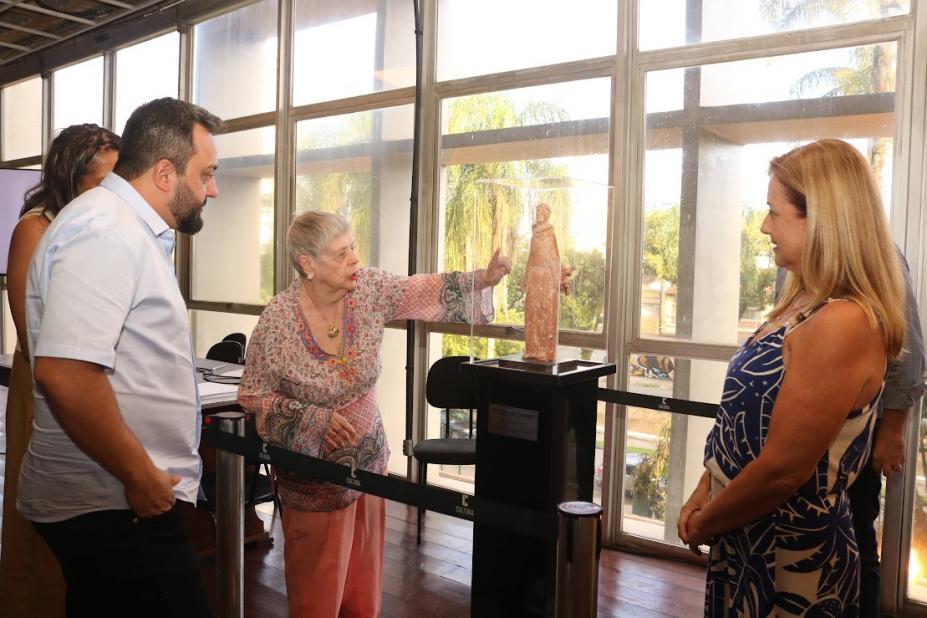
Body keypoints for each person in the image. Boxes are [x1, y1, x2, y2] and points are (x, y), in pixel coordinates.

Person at [238, 210, 512, 617]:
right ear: (307, 264)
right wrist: (312, 418)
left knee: (362, 591)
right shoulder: (277, 320)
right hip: (311, 483)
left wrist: (483, 278)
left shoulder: (368, 290)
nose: (355, 260)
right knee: (317, 596)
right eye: (341, 253)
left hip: (368, 466)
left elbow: (421, 289)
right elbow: (252, 395)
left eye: (353, 248)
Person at [677, 139, 906, 616]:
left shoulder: (843, 322)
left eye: (774, 212)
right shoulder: (801, 303)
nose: (764, 226)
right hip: (748, 532)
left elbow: (783, 469)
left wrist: (704, 524)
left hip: (790, 554)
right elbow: (746, 423)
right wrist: (706, 488)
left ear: (821, 218)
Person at [18, 98, 222, 618]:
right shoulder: (106, 231)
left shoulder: (120, 228)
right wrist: (141, 478)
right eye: (206, 174)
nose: (212, 190)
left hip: (118, 497)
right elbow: (65, 372)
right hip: (115, 502)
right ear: (163, 172)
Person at [0, 123, 119, 618]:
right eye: (101, 182)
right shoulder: (36, 227)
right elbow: (33, 332)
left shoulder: (96, 226)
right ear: (71, 176)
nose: (111, 194)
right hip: (46, 387)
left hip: (87, 381)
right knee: (38, 517)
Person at [775, 253, 925, 617]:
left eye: (776, 213)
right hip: (799, 437)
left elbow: (908, 354)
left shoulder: (877, 254)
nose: (767, 227)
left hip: (853, 439)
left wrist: (892, 431)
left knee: (855, 541)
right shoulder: (790, 259)